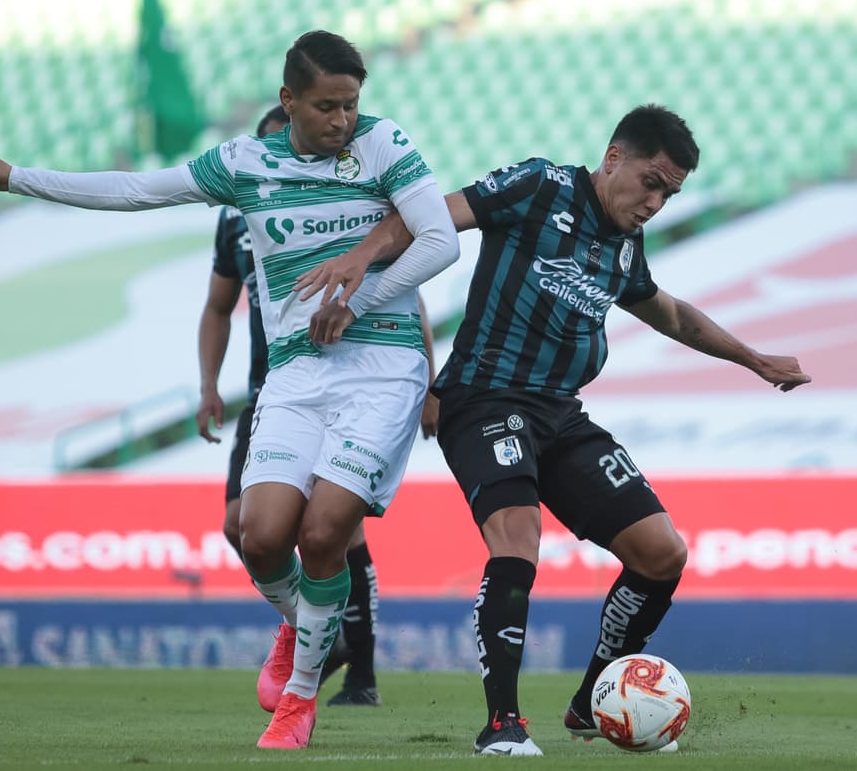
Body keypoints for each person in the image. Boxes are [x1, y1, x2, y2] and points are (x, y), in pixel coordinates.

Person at [0, 30, 459, 748]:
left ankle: (300, 702)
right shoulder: (243, 164)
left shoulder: (381, 143)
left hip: (383, 365)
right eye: (325, 107)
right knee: (259, 537)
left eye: (350, 105)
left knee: (323, 535)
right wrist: (18, 177)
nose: (342, 120)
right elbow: (134, 190)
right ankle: (303, 624)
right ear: (287, 102)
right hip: (296, 367)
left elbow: (441, 240)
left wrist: (356, 295)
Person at [296, 104, 811, 755]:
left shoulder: (625, 243)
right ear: (614, 157)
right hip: (484, 399)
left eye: (670, 193)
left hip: (561, 414)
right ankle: (502, 723)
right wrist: (361, 257)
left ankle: (594, 701)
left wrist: (754, 359)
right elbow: (433, 217)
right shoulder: (540, 188)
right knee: (518, 537)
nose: (655, 201)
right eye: (651, 181)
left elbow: (673, 315)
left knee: (663, 554)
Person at [195, 103, 440, 707]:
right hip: (275, 385)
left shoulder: (351, 199)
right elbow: (218, 306)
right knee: (246, 526)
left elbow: (412, 289)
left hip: (358, 374)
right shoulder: (235, 223)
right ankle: (314, 631)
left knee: (334, 533)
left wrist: (430, 380)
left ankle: (360, 674)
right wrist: (207, 385)